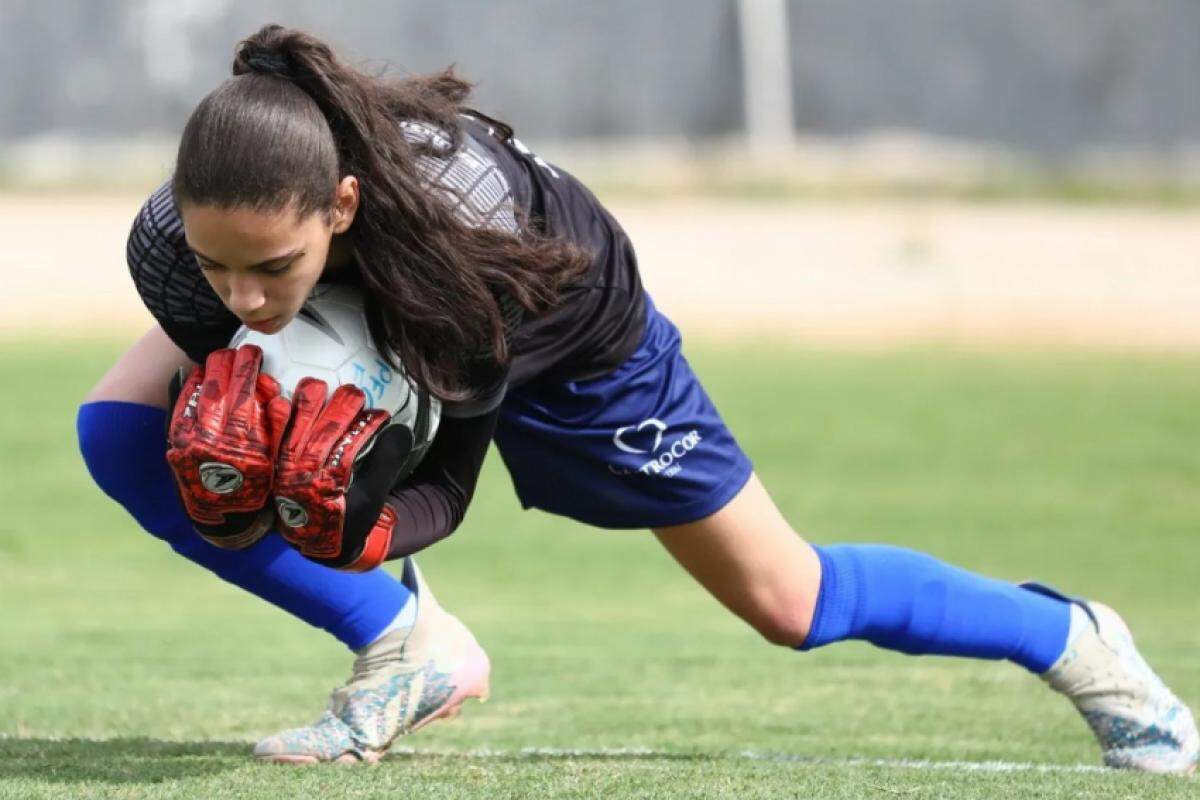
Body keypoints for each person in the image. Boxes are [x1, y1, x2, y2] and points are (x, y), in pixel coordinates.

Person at [76, 25, 1197, 773]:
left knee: (788, 598)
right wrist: (246, 481)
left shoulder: (462, 247)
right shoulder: (187, 253)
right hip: (401, 311)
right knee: (123, 428)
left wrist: (368, 525)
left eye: (271, 266)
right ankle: (406, 647)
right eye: (221, 266)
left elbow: (449, 476)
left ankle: (1075, 637)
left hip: (560, 330)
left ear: (343, 204)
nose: (241, 295)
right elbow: (237, 368)